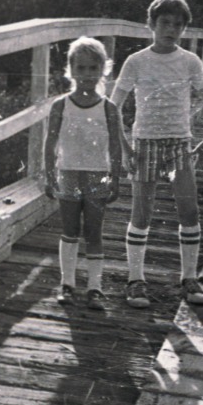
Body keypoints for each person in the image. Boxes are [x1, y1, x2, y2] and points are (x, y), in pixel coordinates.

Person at [110, 0, 203, 310]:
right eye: (165, 23)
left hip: (180, 143)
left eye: (178, 25)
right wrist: (125, 147)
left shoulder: (190, 61)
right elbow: (112, 106)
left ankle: (189, 277)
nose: (171, 30)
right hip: (145, 143)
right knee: (142, 213)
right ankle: (136, 280)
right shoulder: (136, 61)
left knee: (189, 211)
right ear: (151, 24)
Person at [43, 37, 125, 310]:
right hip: (68, 172)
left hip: (97, 175)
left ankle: (95, 287)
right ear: (71, 69)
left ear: (103, 69)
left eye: (93, 68)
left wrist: (115, 178)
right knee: (69, 230)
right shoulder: (61, 105)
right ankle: (67, 284)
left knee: (94, 231)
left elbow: (115, 146)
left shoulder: (109, 108)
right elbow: (50, 142)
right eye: (82, 68)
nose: (87, 75)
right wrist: (49, 174)